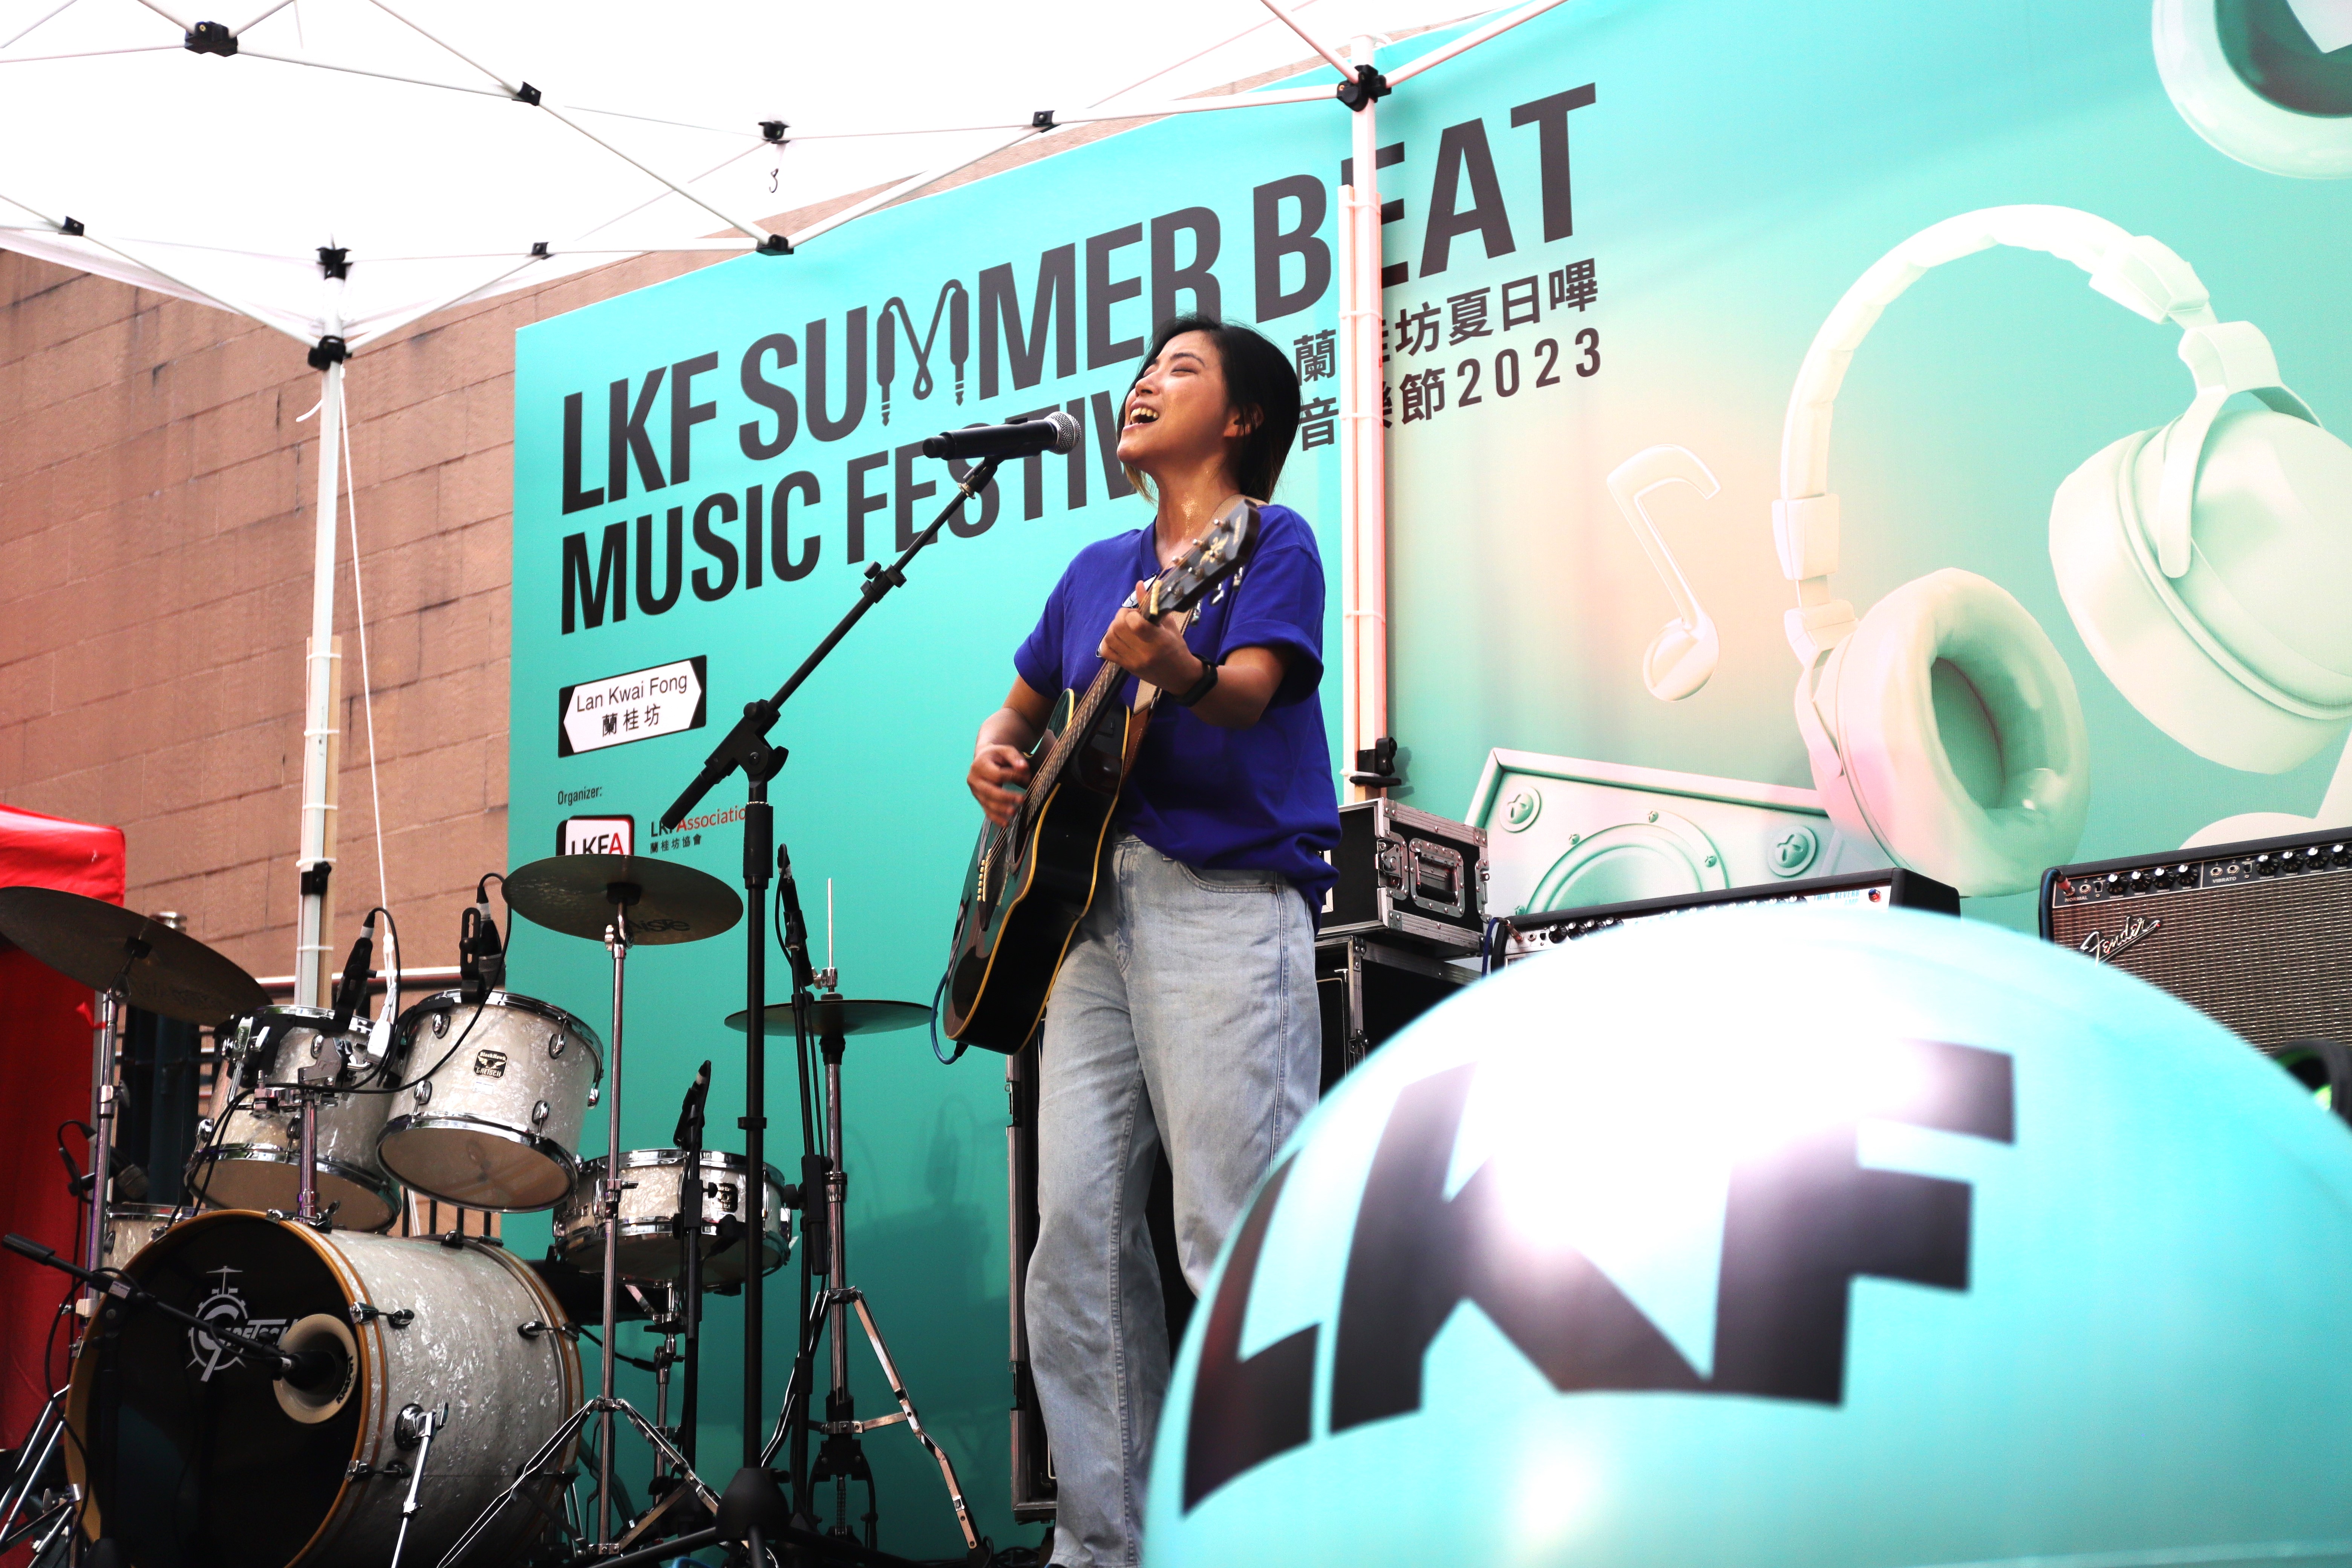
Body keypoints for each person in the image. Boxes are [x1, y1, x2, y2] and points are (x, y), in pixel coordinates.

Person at [965, 314, 1340, 1567]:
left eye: (1182, 371)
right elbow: (1021, 705)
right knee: (1070, 1240)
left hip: (1223, 905)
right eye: (1142, 369)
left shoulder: (1269, 543)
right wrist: (997, 756)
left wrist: (1173, 666)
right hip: (1087, 922)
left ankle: (1274, 1536)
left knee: (1232, 1232)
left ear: (1242, 421)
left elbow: (1245, 695)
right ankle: (1103, 1543)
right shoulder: (1089, 572)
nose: (1144, 385)